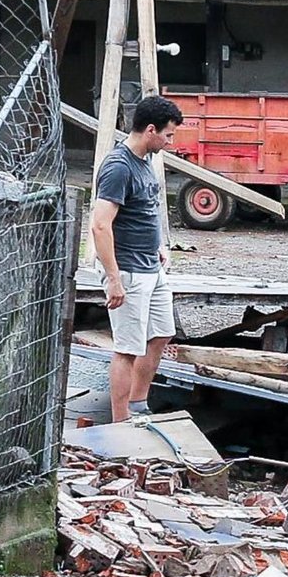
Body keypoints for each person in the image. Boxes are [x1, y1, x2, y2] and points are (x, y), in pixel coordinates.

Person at [89, 95, 185, 424]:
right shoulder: (119, 166)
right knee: (127, 348)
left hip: (151, 266)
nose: (171, 142)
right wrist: (113, 278)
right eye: (168, 135)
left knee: (161, 334)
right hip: (128, 271)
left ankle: (138, 403)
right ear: (149, 130)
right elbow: (100, 224)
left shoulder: (144, 159)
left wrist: (158, 245)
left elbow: (145, 209)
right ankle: (120, 423)